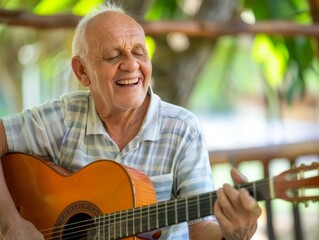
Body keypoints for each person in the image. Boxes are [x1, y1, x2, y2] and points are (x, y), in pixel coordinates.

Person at [0, 3, 261, 240]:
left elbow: (201, 229)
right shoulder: (64, 117)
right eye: (113, 56)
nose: (131, 65)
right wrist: (11, 224)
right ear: (82, 71)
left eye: (139, 52)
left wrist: (233, 235)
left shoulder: (182, 130)